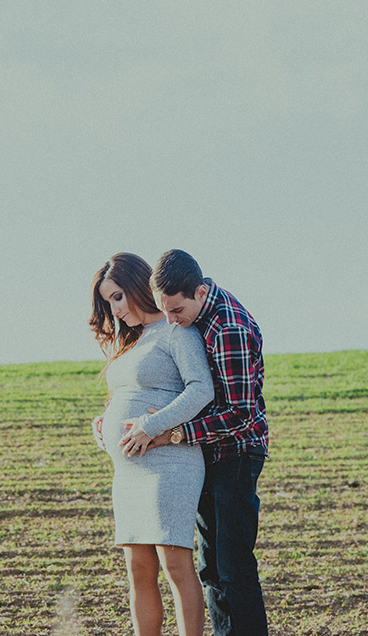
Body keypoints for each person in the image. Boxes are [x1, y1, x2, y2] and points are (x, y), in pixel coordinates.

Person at [120, 249, 270, 636]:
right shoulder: (197, 316)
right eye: (164, 312)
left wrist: (172, 433)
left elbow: (238, 414)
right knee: (211, 567)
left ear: (200, 292)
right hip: (211, 453)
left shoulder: (228, 327)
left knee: (233, 566)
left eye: (176, 310)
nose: (171, 321)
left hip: (236, 453)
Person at [89, 253, 215, 636]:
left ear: (137, 287)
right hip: (129, 470)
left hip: (169, 462)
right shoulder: (129, 341)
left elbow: (201, 390)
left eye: (118, 296)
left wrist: (148, 425)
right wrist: (104, 423)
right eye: (109, 301)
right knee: (137, 568)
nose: (116, 308)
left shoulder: (177, 331)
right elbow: (125, 395)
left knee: (175, 563)